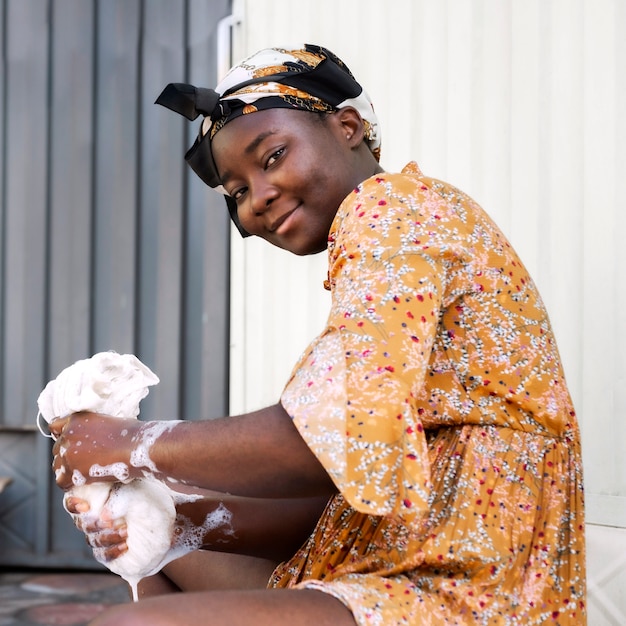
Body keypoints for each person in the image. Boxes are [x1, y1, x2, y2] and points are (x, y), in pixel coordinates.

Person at [50, 44, 586, 625]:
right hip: (374, 561)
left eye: (273, 155)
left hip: (469, 591)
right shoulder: (381, 253)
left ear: (348, 125)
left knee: (128, 625)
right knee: (158, 554)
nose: (258, 195)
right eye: (236, 192)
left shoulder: (395, 212)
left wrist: (128, 444)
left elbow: (319, 441)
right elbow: (343, 489)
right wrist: (169, 517)